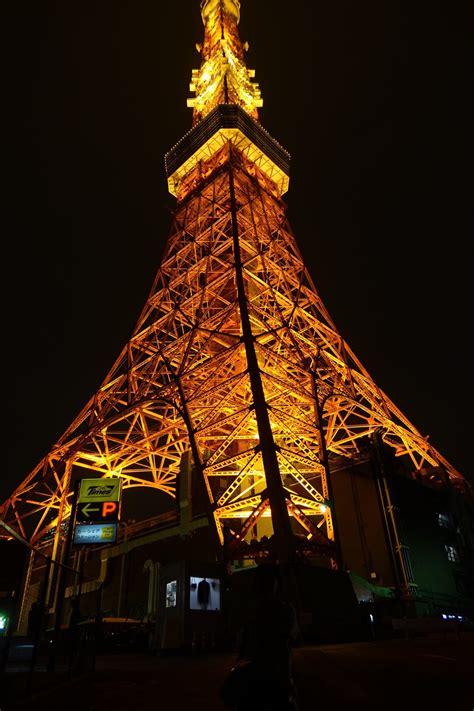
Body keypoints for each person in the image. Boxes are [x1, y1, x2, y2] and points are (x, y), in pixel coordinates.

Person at [232, 562, 300, 710]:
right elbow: (292, 640)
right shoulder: (287, 611)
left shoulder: (248, 613)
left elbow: (241, 645)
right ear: (276, 583)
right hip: (279, 678)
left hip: (253, 682)